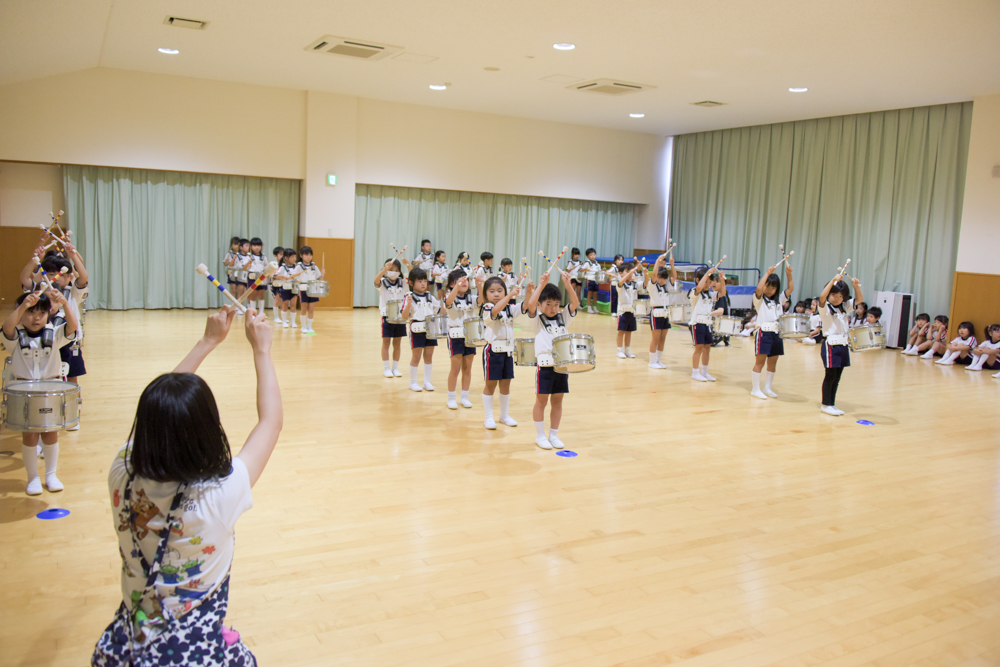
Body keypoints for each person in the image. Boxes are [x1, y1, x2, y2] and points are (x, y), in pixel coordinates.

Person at [92, 306, 280, 666]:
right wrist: (262, 350)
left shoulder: (122, 473)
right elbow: (270, 422)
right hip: (197, 653)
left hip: (129, 644)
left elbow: (155, 416)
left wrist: (207, 341)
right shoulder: (218, 494)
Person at [2, 289, 79, 495]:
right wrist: (23, 306)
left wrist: (65, 303)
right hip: (25, 392)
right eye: (30, 312)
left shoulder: (54, 334)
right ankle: (33, 477)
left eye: (42, 313)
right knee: (29, 436)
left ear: (48, 314)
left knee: (51, 434)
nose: (36, 318)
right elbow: (7, 327)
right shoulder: (16, 336)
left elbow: (72, 326)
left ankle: (51, 474)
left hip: (49, 390)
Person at [525, 269, 580, 450]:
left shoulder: (563, 317)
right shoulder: (537, 320)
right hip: (545, 368)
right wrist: (541, 284)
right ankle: (540, 435)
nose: (553, 308)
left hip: (561, 367)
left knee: (557, 401)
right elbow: (530, 304)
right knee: (541, 401)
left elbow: (575, 303)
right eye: (548, 304)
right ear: (540, 304)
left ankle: (554, 435)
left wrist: (567, 284)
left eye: (556, 304)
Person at [480, 275, 531, 429]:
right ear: (486, 294)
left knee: (506, 385)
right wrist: (509, 296)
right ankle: (488, 417)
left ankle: (504, 415)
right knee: (490, 385)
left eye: (500, 291)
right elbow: (495, 311)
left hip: (507, 351)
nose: (496, 294)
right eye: (492, 291)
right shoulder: (486, 308)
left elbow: (525, 305)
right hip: (493, 351)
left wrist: (529, 291)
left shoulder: (510, 308)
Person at [818, 271, 863, 416]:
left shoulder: (844, 307)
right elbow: (822, 296)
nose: (837, 298)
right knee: (830, 376)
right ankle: (826, 404)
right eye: (834, 295)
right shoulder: (825, 307)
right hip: (831, 345)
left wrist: (856, 287)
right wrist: (833, 280)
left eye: (840, 296)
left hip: (843, 345)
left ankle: (832, 403)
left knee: (837, 377)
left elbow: (859, 299)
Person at [750, 264, 794, 399]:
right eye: (767, 286)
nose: (769, 289)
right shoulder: (759, 300)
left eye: (773, 287)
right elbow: (759, 289)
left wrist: (789, 274)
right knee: (760, 362)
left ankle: (768, 388)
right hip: (763, 333)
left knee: (773, 362)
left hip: (776, 333)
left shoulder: (779, 299)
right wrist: (767, 273)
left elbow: (790, 289)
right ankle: (755, 389)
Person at [400, 267, 439, 392]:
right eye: (420, 281)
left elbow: (439, 310)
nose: (423, 284)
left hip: (430, 328)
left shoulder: (430, 296)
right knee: (416, 356)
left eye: (425, 281)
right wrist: (408, 305)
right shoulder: (409, 297)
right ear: (411, 283)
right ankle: (413, 382)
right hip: (417, 328)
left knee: (429, 355)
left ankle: (427, 381)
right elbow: (404, 316)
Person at [444, 269, 477, 409]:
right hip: (456, 336)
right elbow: (448, 301)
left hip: (470, 335)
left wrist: (480, 285)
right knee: (455, 368)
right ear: (452, 284)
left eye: (466, 279)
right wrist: (457, 288)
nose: (464, 282)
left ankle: (464, 397)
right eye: (459, 280)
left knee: (467, 368)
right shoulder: (449, 296)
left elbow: (481, 300)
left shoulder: (472, 298)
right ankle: (451, 398)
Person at [688, 266, 727, 381]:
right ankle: (695, 372)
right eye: (706, 282)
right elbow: (699, 287)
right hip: (697, 323)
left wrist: (722, 280)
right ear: (698, 280)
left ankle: (705, 372)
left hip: (707, 324)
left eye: (710, 283)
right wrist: (707, 274)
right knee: (699, 348)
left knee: (707, 348)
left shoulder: (710, 295)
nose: (708, 285)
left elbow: (722, 293)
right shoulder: (694, 292)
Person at [646, 254, 681, 369]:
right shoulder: (652, 286)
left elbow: (674, 277)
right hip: (656, 313)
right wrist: (657, 261)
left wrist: (672, 264)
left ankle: (658, 360)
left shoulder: (666, 286)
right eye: (660, 278)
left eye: (664, 278)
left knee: (662, 338)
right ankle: (652, 361)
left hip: (665, 313)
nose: (662, 280)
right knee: (655, 339)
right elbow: (654, 275)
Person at [375, 258, 407, 378]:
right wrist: (384, 269)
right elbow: (376, 280)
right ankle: (386, 368)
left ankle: (395, 368)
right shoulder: (383, 282)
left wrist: (408, 265)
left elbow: (413, 280)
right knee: (386, 342)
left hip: (400, 316)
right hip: (387, 316)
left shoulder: (402, 282)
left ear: (400, 272)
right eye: (391, 269)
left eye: (396, 270)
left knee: (397, 343)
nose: (393, 272)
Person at [615, 261, 646, 359]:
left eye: (631, 271)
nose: (630, 273)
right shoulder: (620, 283)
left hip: (632, 311)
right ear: (621, 273)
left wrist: (645, 274)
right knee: (621, 331)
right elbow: (620, 282)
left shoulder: (635, 284)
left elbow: (645, 284)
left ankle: (627, 350)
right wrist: (630, 273)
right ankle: (619, 350)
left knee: (629, 332)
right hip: (623, 312)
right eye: (627, 271)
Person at [296, 246, 324, 334]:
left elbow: (320, 279)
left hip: (313, 289)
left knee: (311, 309)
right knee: (304, 308)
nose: (309, 257)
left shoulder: (314, 267)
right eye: (306, 255)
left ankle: (309, 326)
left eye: (310, 255)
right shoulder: (299, 266)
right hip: (303, 288)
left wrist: (322, 274)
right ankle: (303, 326)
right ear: (301, 255)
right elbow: (293, 277)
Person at [275, 248, 302, 328]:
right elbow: (275, 275)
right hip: (285, 288)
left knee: (293, 305)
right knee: (285, 304)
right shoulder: (282, 267)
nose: (294, 258)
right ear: (286, 258)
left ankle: (293, 322)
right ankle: (284, 321)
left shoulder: (297, 267)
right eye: (292, 257)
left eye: (295, 257)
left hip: (294, 288)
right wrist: (283, 276)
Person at [246, 238, 269, 316]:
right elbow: (244, 268)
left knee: (261, 294)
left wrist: (267, 270)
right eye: (255, 245)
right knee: (253, 294)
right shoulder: (248, 255)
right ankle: (253, 313)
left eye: (259, 245)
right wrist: (248, 263)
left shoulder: (263, 256)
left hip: (262, 276)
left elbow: (266, 265)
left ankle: (261, 312)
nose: (257, 247)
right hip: (252, 276)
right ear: (251, 246)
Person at [581, 248, 601, 314]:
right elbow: (581, 269)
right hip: (590, 280)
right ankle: (589, 308)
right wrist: (586, 269)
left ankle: (595, 308)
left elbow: (599, 272)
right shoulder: (587, 263)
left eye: (594, 255)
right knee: (589, 294)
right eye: (591, 255)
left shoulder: (597, 264)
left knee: (595, 295)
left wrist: (602, 271)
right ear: (587, 256)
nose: (593, 256)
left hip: (596, 280)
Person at [233, 239, 252, 305]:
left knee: (249, 293)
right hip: (240, 275)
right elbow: (242, 268)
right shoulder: (237, 256)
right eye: (246, 246)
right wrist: (248, 263)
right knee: (240, 293)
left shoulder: (250, 255)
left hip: (248, 275)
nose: (248, 247)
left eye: (249, 246)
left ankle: (249, 307)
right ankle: (239, 307)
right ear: (241, 247)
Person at [270, 246, 285, 322]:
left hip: (283, 284)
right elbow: (270, 275)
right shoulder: (274, 265)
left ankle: (283, 317)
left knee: (283, 301)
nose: (282, 256)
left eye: (283, 254)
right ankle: (276, 317)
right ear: (275, 256)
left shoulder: (285, 265)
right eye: (280, 254)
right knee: (276, 300)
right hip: (276, 284)